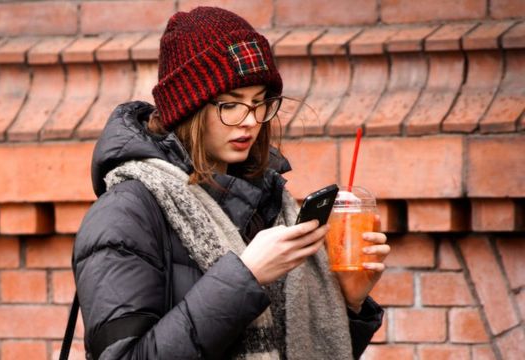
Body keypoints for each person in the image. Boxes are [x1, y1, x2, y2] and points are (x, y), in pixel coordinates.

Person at [73, 6, 389, 360]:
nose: (250, 121)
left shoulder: (266, 203)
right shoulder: (125, 213)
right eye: (231, 104)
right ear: (187, 108)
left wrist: (348, 302)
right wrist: (246, 277)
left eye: (259, 102)